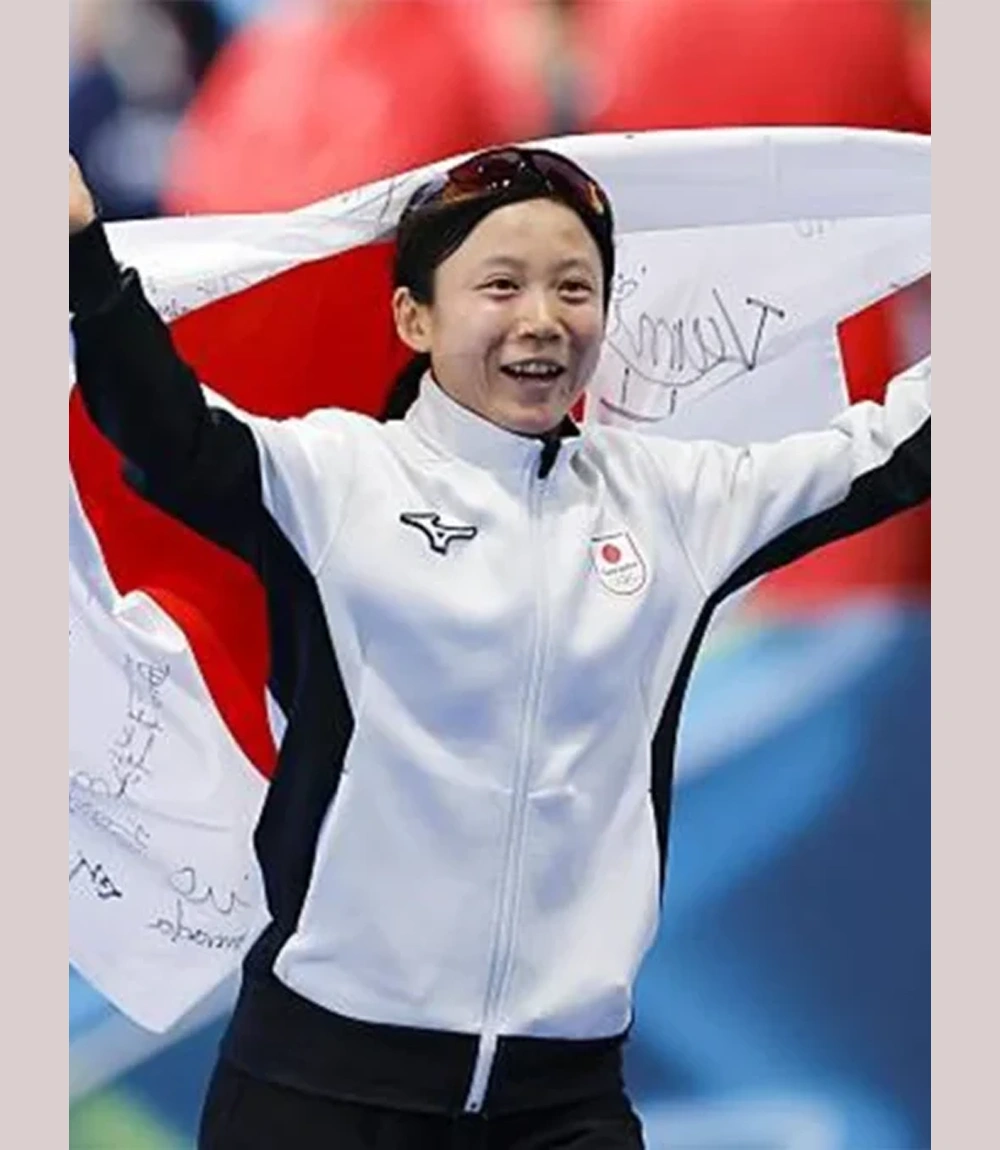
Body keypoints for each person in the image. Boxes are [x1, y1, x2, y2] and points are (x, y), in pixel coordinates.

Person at [68, 145, 930, 1149]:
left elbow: (894, 450)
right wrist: (81, 253)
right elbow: (166, 429)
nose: (542, 318)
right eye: (501, 285)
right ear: (414, 317)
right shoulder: (338, 478)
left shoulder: (675, 505)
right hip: (319, 1084)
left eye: (575, 287)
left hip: (561, 1103)